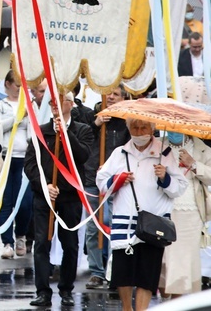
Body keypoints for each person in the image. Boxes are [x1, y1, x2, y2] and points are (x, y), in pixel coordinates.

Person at [96, 119, 188, 311]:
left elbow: (179, 188)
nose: (139, 132)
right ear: (129, 129)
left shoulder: (165, 153)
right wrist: (117, 179)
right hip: (124, 221)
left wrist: (165, 177)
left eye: (144, 127)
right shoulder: (119, 153)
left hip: (153, 224)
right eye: (135, 128)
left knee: (147, 274)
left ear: (152, 129)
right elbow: (102, 183)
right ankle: (127, 308)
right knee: (123, 273)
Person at [24, 92, 92, 307]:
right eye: (51, 100)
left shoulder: (83, 130)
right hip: (45, 197)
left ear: (71, 104)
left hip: (70, 197)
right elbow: (30, 165)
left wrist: (65, 133)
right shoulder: (40, 132)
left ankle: (66, 289)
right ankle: (42, 291)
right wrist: (44, 185)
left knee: (70, 245)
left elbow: (83, 156)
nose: (54, 104)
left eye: (59, 99)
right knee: (41, 242)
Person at [84, 85, 131, 289]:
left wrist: (114, 169)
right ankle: (96, 271)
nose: (111, 97)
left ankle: (114, 271)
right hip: (92, 178)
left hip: (117, 180)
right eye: (108, 93)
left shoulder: (128, 121)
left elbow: (130, 150)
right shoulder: (90, 115)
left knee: (116, 225)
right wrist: (95, 124)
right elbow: (80, 140)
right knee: (94, 226)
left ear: (124, 98)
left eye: (116, 94)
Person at [159, 131, 211, 297]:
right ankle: (165, 299)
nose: (175, 132)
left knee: (183, 263)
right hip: (162, 209)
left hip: (191, 211)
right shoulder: (158, 144)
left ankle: (176, 304)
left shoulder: (201, 148)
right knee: (164, 261)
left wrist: (193, 164)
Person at [0, 70, 32, 260]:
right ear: (7, 84)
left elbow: (35, 131)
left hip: (25, 158)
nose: (20, 89)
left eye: (23, 86)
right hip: (6, 157)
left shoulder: (30, 105)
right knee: (5, 202)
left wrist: (29, 117)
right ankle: (7, 242)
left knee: (24, 202)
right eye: (17, 85)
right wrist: (16, 119)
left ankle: (21, 235)